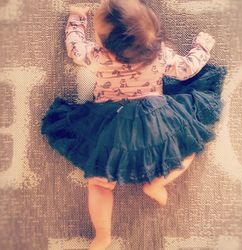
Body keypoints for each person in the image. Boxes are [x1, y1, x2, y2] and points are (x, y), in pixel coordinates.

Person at [40, 1, 227, 249]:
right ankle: (157, 182)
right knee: (189, 147)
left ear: (103, 43)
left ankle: (103, 235)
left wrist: (76, 19)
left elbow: (74, 48)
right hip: (154, 121)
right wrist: (202, 46)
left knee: (99, 183)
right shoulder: (159, 54)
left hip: (111, 126)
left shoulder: (98, 56)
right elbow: (187, 69)